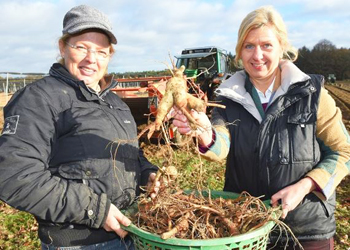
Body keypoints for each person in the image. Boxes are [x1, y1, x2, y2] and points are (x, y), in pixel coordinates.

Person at [172, 5, 350, 250]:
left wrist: (305, 186)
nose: (257, 56)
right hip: (246, 228)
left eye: (266, 45)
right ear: (239, 52)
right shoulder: (227, 97)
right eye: (249, 46)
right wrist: (204, 131)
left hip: (305, 230)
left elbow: (344, 152)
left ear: (281, 48)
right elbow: (222, 144)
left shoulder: (312, 93)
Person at [0, 5, 159, 250]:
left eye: (101, 51)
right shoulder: (39, 99)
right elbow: (15, 177)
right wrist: (96, 209)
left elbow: (131, 153)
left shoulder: (115, 104)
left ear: (110, 56)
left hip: (132, 235)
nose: (91, 59)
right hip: (79, 244)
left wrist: (147, 173)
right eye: (81, 47)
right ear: (63, 47)